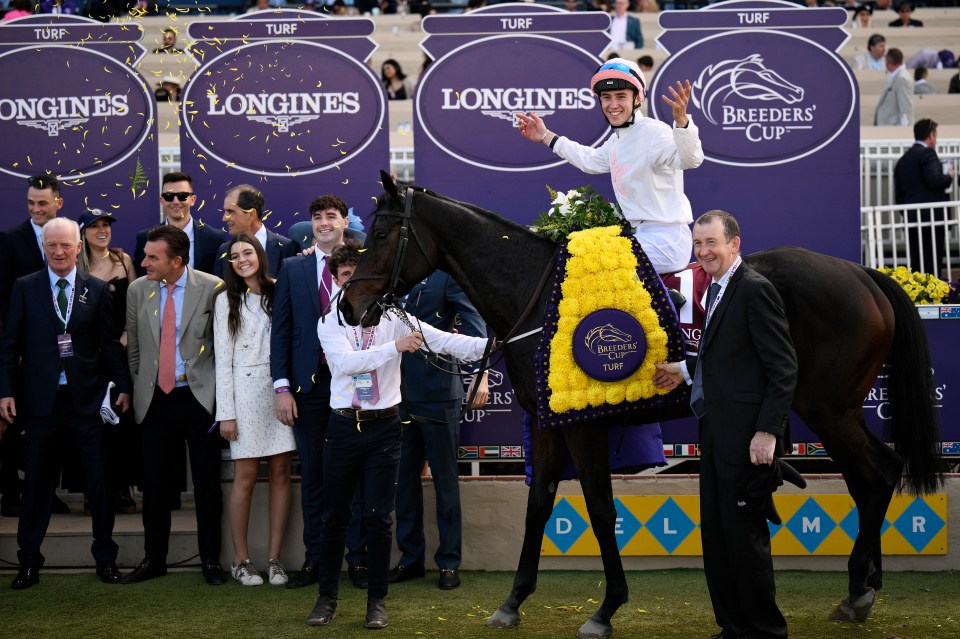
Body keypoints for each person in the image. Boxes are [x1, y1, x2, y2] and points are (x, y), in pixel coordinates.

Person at [307, 252, 489, 630]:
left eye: (365, 276)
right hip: (343, 428)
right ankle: (326, 599)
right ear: (337, 280)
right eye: (347, 276)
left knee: (378, 519)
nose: (359, 284)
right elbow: (345, 364)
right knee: (334, 517)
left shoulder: (394, 317)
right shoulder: (329, 320)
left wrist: (493, 344)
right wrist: (396, 347)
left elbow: (444, 342)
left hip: (386, 429)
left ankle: (377, 602)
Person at [653, 210, 797, 639]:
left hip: (748, 437)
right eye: (698, 244)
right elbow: (727, 359)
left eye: (711, 243)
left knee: (745, 538)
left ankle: (766, 631)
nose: (704, 252)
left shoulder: (753, 289)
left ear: (735, 244)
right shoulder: (715, 288)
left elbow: (783, 368)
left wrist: (768, 431)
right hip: (716, 431)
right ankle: (733, 627)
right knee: (718, 537)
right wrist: (685, 368)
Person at [0, 217, 131, 589]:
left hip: (87, 403)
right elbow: (9, 346)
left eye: (65, 245)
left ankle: (105, 560)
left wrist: (122, 386)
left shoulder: (97, 288)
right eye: (52, 245)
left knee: (99, 485)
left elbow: (109, 346)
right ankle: (28, 563)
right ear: (45, 248)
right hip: (41, 405)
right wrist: (5, 391)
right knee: (37, 487)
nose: (58, 252)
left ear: (78, 247)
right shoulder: (25, 287)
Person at [516, 58, 703, 276]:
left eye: (621, 96)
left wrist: (682, 124)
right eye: (606, 98)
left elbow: (690, 159)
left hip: (666, 240)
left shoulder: (655, 132)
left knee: (592, 261)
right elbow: (590, 160)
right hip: (641, 236)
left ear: (637, 99)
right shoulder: (618, 139)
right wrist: (547, 137)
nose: (613, 105)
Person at [122, 225, 227, 586]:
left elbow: (221, 347)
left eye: (153, 257)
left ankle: (211, 561)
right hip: (155, 400)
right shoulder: (137, 290)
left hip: (199, 399)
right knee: (154, 484)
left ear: (177, 261)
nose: (144, 262)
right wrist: (140, 390)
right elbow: (134, 348)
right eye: (146, 255)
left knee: (207, 483)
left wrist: (221, 401)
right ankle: (155, 559)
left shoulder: (212, 287)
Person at [271, 194, 365, 589]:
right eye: (317, 217)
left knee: (357, 475)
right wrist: (281, 388)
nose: (324, 222)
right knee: (313, 475)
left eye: (331, 216)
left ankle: (359, 561)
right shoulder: (292, 268)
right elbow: (281, 331)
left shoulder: (364, 265)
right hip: (308, 387)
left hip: (356, 385)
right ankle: (315, 561)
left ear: (345, 221)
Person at [391, 270, 488, 590]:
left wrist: (481, 373)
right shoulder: (393, 273)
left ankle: (448, 562)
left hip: (439, 393)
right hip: (396, 393)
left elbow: (473, 324)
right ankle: (410, 558)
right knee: (403, 482)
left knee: (445, 481)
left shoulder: (444, 277)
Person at [214, 234, 297, 587]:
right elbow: (222, 358)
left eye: (248, 252)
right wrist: (226, 412)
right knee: (245, 478)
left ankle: (275, 560)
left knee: (281, 474)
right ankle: (241, 560)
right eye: (235, 256)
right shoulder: (224, 300)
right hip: (243, 393)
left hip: (279, 391)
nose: (242, 259)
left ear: (261, 255)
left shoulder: (281, 290)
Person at [0, 174, 64, 519]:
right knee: (13, 425)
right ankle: (11, 494)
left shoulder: (71, 238)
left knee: (52, 423)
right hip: (24, 354)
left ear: (58, 203)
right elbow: (3, 299)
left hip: (63, 354)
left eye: (42, 202)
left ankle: (47, 494)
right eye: (30, 203)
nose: (36, 209)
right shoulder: (11, 240)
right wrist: (13, 348)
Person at [76, 208, 139, 514]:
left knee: (121, 420)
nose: (102, 230)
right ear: (82, 233)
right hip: (89, 355)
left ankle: (122, 489)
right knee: (92, 422)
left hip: (122, 352)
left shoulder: (123, 260)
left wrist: (128, 333)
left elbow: (138, 301)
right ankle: (93, 490)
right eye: (94, 226)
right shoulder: (75, 263)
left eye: (106, 225)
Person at [894, 118, 956, 276]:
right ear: (931, 135)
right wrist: (949, 175)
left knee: (917, 263)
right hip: (932, 218)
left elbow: (899, 195)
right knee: (932, 263)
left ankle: (919, 297)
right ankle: (932, 298)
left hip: (912, 217)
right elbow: (934, 180)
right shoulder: (928, 153)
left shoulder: (903, 160)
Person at [133, 172, 224, 277]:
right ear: (162, 200)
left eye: (182, 196)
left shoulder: (214, 238)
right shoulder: (144, 238)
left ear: (193, 200)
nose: (175, 201)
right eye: (169, 196)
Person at [213, 185, 297, 278]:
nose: (224, 218)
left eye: (230, 211)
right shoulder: (224, 250)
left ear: (251, 214)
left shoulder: (287, 248)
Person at [873, 48, 914, 126]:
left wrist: (905, 131)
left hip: (893, 126)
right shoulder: (896, 76)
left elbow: (906, 108)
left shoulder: (902, 79)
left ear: (888, 62)